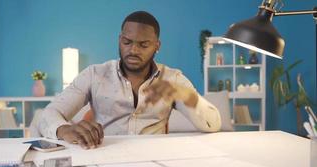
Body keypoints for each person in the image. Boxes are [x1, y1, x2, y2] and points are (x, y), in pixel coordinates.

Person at [38, 11, 221, 149]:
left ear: (157, 46)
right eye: (127, 42)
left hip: (154, 161)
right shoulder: (94, 74)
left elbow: (212, 124)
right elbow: (48, 114)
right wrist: (63, 129)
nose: (133, 50)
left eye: (143, 44)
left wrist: (183, 94)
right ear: (119, 40)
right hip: (104, 155)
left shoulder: (173, 79)